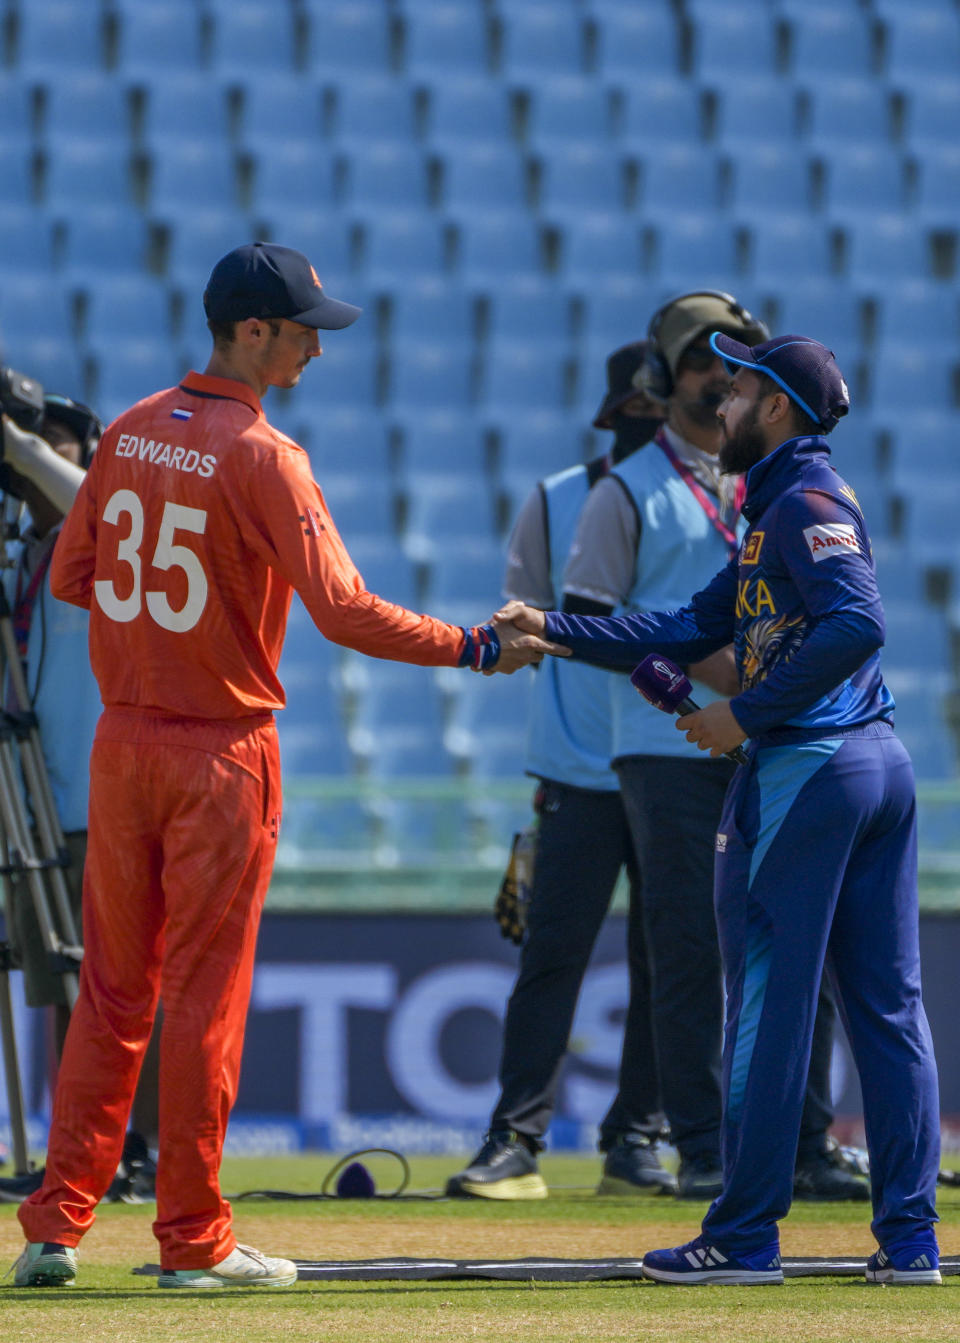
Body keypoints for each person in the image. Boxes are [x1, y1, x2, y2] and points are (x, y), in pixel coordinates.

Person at [13, 241, 563, 1290]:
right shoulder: (264, 454)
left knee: (112, 995)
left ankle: (56, 1226)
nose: (317, 343)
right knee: (205, 997)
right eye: (304, 325)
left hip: (122, 744)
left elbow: (77, 576)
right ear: (251, 330)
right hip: (219, 750)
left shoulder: (126, 431)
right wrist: (479, 645)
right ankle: (194, 1241)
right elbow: (347, 611)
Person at [498, 332, 942, 1285]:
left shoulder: (806, 500)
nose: (722, 405)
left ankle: (743, 1238)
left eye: (738, 389)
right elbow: (684, 626)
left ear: (776, 406)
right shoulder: (773, 505)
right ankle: (910, 1242)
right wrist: (553, 629)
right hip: (871, 767)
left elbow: (858, 621)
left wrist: (745, 713)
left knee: (767, 1012)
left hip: (808, 771)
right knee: (888, 1010)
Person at [556, 292, 865, 1202]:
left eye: (737, 368)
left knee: (798, 951)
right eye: (702, 361)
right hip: (667, 749)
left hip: (768, 738)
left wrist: (753, 697)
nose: (719, 380)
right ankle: (702, 1143)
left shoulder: (770, 485)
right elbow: (611, 621)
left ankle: (805, 1142)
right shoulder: (628, 489)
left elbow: (810, 619)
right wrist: (700, 692)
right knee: (691, 951)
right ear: (662, 375)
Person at [447, 342, 676, 1200]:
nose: (646, 430)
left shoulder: (701, 499)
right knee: (554, 956)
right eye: (635, 416)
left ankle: (639, 1138)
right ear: (612, 415)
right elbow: (530, 636)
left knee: (669, 962)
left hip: (670, 761)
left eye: (659, 416)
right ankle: (516, 1137)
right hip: (577, 766)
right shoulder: (556, 499)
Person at [0, 399, 160, 1205]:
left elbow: (85, 494)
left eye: (53, 439)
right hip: (30, 804)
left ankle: (138, 1147)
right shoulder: (15, 558)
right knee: (61, 986)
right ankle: (74, 1153)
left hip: (105, 797)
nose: (32, 457)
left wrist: (21, 446)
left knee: (119, 981)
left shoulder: (101, 535)